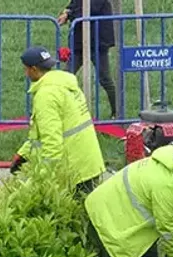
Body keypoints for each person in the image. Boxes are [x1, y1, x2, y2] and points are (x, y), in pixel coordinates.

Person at [11, 46, 106, 196]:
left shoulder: (46, 95)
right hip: (89, 162)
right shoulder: (66, 85)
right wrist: (23, 153)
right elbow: (41, 134)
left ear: (34, 69)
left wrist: (44, 178)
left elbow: (52, 141)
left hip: (73, 169)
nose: (25, 73)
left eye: (26, 69)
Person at [58, 0, 118, 119]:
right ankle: (60, 110)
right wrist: (66, 12)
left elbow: (88, 10)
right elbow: (75, 4)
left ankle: (117, 113)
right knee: (65, 77)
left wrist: (69, 14)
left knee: (105, 79)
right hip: (79, 42)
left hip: (98, 42)